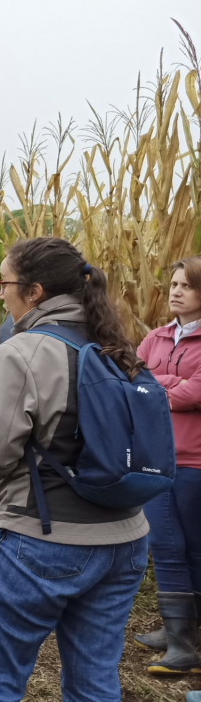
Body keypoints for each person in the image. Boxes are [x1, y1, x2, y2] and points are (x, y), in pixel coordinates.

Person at [0, 238, 150, 702]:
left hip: (42, 539)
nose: (0, 291)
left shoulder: (24, 350)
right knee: (95, 684)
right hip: (126, 538)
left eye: (4, 282)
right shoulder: (119, 346)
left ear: (35, 291)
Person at [134, 255, 201, 675]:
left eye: (186, 285)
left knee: (193, 546)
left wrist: (156, 386)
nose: (175, 291)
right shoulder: (156, 337)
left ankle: (186, 642)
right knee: (164, 545)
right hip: (156, 460)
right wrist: (170, 385)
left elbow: (194, 395)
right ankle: (178, 633)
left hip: (194, 461)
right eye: (174, 284)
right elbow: (130, 378)